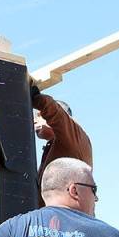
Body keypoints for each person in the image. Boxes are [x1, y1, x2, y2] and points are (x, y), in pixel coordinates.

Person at [30, 79, 92, 207]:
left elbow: (57, 114)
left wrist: (36, 98)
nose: (35, 121)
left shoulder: (75, 137)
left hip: (66, 217)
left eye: (40, 116)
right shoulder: (58, 144)